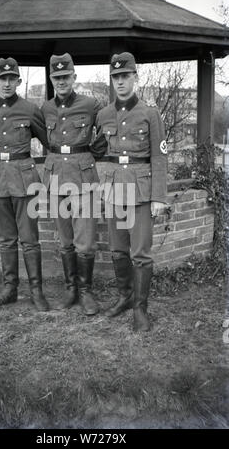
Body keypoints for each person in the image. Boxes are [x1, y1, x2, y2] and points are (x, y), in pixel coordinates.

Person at [96, 52, 167, 331]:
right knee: (117, 249)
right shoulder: (103, 115)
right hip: (114, 190)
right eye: (116, 77)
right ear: (111, 80)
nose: (121, 81)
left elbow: (160, 158)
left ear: (135, 78)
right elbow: (98, 152)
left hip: (141, 190)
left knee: (140, 252)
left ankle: (140, 308)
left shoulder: (150, 114)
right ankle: (124, 297)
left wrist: (159, 197)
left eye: (125, 76)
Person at [0, 57, 50, 311]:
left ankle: (36, 291)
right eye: (2, 79)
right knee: (6, 239)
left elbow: (50, 143)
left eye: (11, 79)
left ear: (18, 81)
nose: (7, 83)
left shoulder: (30, 109)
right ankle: (10, 288)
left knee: (29, 239)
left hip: (25, 181)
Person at [41, 53, 107, 315]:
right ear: (51, 79)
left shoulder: (91, 104)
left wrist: (93, 153)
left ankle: (85, 291)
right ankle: (71, 289)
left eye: (65, 76)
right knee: (65, 238)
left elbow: (110, 126)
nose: (61, 81)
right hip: (56, 178)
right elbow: (40, 134)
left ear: (74, 77)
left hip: (84, 179)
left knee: (86, 240)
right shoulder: (45, 108)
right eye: (57, 77)